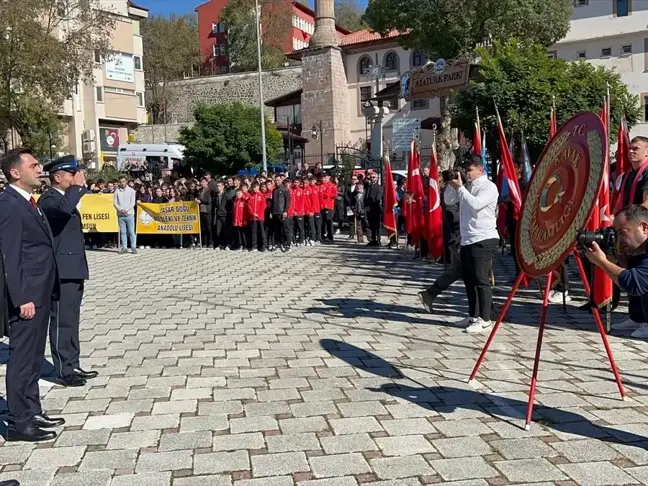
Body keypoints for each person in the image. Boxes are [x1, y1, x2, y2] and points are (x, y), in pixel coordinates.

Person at [0, 148, 63, 442]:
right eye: (34, 165)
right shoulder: (9, 204)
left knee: (35, 356)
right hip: (27, 296)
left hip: (40, 291)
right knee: (22, 358)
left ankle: (31, 408)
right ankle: (17, 421)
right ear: (15, 172)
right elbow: (11, 256)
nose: (40, 169)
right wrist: (21, 296)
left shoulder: (29, 202)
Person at [38, 156, 98, 387]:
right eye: (71, 175)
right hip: (62, 270)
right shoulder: (49, 198)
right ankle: (63, 369)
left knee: (72, 319)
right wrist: (77, 189)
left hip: (73, 268)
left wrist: (75, 190)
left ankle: (73, 363)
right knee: (62, 320)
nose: (75, 178)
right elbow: (62, 212)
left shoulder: (64, 197)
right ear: (57, 177)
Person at [450, 158, 500, 333]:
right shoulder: (468, 187)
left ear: (480, 169)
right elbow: (450, 202)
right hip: (468, 238)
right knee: (469, 280)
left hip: (484, 238)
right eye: (465, 170)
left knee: (480, 279)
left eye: (470, 169)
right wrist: (453, 185)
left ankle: (485, 319)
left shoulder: (488, 187)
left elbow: (476, 204)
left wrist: (462, 189)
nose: (467, 173)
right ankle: (473, 315)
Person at [585, 205, 648, 338]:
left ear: (644, 228)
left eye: (622, 231)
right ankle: (638, 318)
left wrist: (601, 261)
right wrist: (617, 254)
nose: (618, 237)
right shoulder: (641, 248)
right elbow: (632, 271)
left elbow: (635, 284)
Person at [419, 174, 462, 312]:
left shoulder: (456, 191)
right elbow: (453, 216)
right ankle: (487, 310)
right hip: (457, 238)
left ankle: (430, 294)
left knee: (460, 270)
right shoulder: (450, 192)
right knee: (474, 272)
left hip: (462, 237)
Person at [113, 176, 137, 254]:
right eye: (120, 182)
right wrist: (120, 209)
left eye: (123, 181)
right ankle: (124, 247)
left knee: (131, 231)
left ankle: (133, 247)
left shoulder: (132, 191)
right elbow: (115, 202)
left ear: (126, 181)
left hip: (129, 214)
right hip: (120, 215)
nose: (122, 183)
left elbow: (132, 202)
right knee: (123, 232)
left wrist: (126, 209)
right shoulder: (117, 191)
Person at [365, 171, 383, 246]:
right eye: (371, 177)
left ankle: (378, 240)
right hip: (369, 209)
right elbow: (366, 196)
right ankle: (373, 239)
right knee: (371, 225)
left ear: (377, 178)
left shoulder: (379, 187)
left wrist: (372, 204)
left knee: (377, 225)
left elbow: (378, 198)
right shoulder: (369, 186)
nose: (372, 178)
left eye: (373, 177)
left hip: (376, 209)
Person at [197, 178, 213, 248]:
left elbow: (208, 200)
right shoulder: (200, 190)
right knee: (203, 228)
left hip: (207, 211)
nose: (202, 183)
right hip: (201, 211)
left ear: (207, 182)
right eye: (201, 182)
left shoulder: (209, 190)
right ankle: (204, 243)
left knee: (209, 228)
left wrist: (200, 200)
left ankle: (211, 243)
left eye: (204, 182)